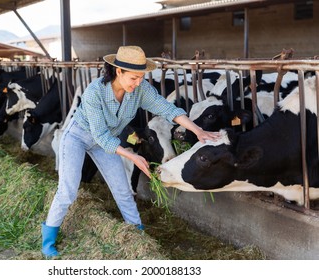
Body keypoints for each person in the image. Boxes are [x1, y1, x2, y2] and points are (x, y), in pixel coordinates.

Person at [41, 46, 220, 257]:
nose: (138, 83)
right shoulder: (94, 92)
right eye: (134, 78)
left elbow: (167, 109)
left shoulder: (140, 89)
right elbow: (100, 135)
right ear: (119, 71)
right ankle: (48, 242)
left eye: (141, 77)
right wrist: (133, 155)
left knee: (123, 191)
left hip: (107, 143)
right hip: (78, 137)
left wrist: (197, 130)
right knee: (68, 191)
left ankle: (138, 235)